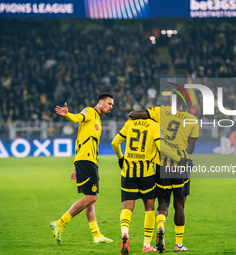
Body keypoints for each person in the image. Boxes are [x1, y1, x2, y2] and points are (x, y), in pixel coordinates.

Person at [111, 118, 190, 254]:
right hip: (147, 173)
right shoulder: (155, 126)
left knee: (127, 207)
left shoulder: (130, 123)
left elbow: (115, 142)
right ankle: (146, 244)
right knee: (149, 208)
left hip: (128, 171)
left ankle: (125, 233)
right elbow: (161, 147)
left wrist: (120, 158)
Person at [129, 101, 198, 253]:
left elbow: (133, 115)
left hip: (162, 164)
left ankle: (160, 227)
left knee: (163, 203)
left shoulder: (161, 111)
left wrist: (150, 116)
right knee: (179, 205)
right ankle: (178, 244)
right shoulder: (192, 119)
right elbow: (191, 149)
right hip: (181, 166)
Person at [50, 93, 114, 245]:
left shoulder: (98, 119)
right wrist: (67, 115)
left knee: (91, 200)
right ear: (100, 101)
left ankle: (96, 235)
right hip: (86, 160)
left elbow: (81, 140)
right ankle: (59, 223)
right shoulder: (89, 112)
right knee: (90, 198)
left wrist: (75, 166)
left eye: (112, 105)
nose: (111, 107)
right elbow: (77, 117)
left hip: (89, 161)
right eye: (109, 103)